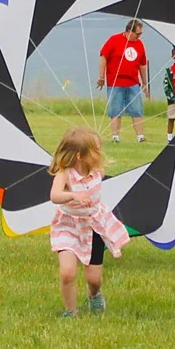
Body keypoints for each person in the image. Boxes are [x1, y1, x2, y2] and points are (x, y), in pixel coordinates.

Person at [49, 127, 130, 317]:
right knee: (67, 273)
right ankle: (71, 311)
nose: (100, 154)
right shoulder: (65, 174)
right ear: (79, 155)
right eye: (95, 150)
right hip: (68, 226)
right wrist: (73, 195)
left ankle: (94, 295)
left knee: (94, 279)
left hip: (93, 226)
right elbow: (54, 195)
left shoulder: (97, 171)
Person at [97, 19, 150, 143]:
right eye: (138, 34)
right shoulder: (114, 40)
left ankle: (140, 137)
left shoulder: (140, 44)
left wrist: (144, 83)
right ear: (129, 31)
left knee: (137, 110)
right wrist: (101, 77)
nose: (139, 36)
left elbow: (142, 65)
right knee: (115, 110)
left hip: (133, 83)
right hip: (115, 83)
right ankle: (115, 137)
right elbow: (103, 57)